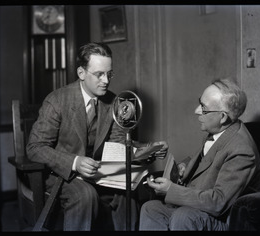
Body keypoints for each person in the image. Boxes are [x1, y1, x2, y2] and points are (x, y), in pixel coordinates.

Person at [26, 42, 168, 231]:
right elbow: (35, 148)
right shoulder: (57, 101)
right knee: (85, 195)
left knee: (128, 192)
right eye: (99, 74)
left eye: (109, 74)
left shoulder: (114, 102)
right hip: (61, 175)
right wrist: (75, 162)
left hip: (99, 174)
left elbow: (118, 144)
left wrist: (147, 150)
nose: (106, 81)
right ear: (81, 73)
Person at [139, 78, 260, 231]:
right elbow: (208, 161)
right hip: (199, 210)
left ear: (222, 117)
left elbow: (218, 202)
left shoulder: (242, 150)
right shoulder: (217, 132)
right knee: (151, 209)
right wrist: (185, 166)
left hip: (225, 221)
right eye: (200, 103)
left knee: (184, 216)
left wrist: (171, 190)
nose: (196, 110)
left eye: (204, 108)